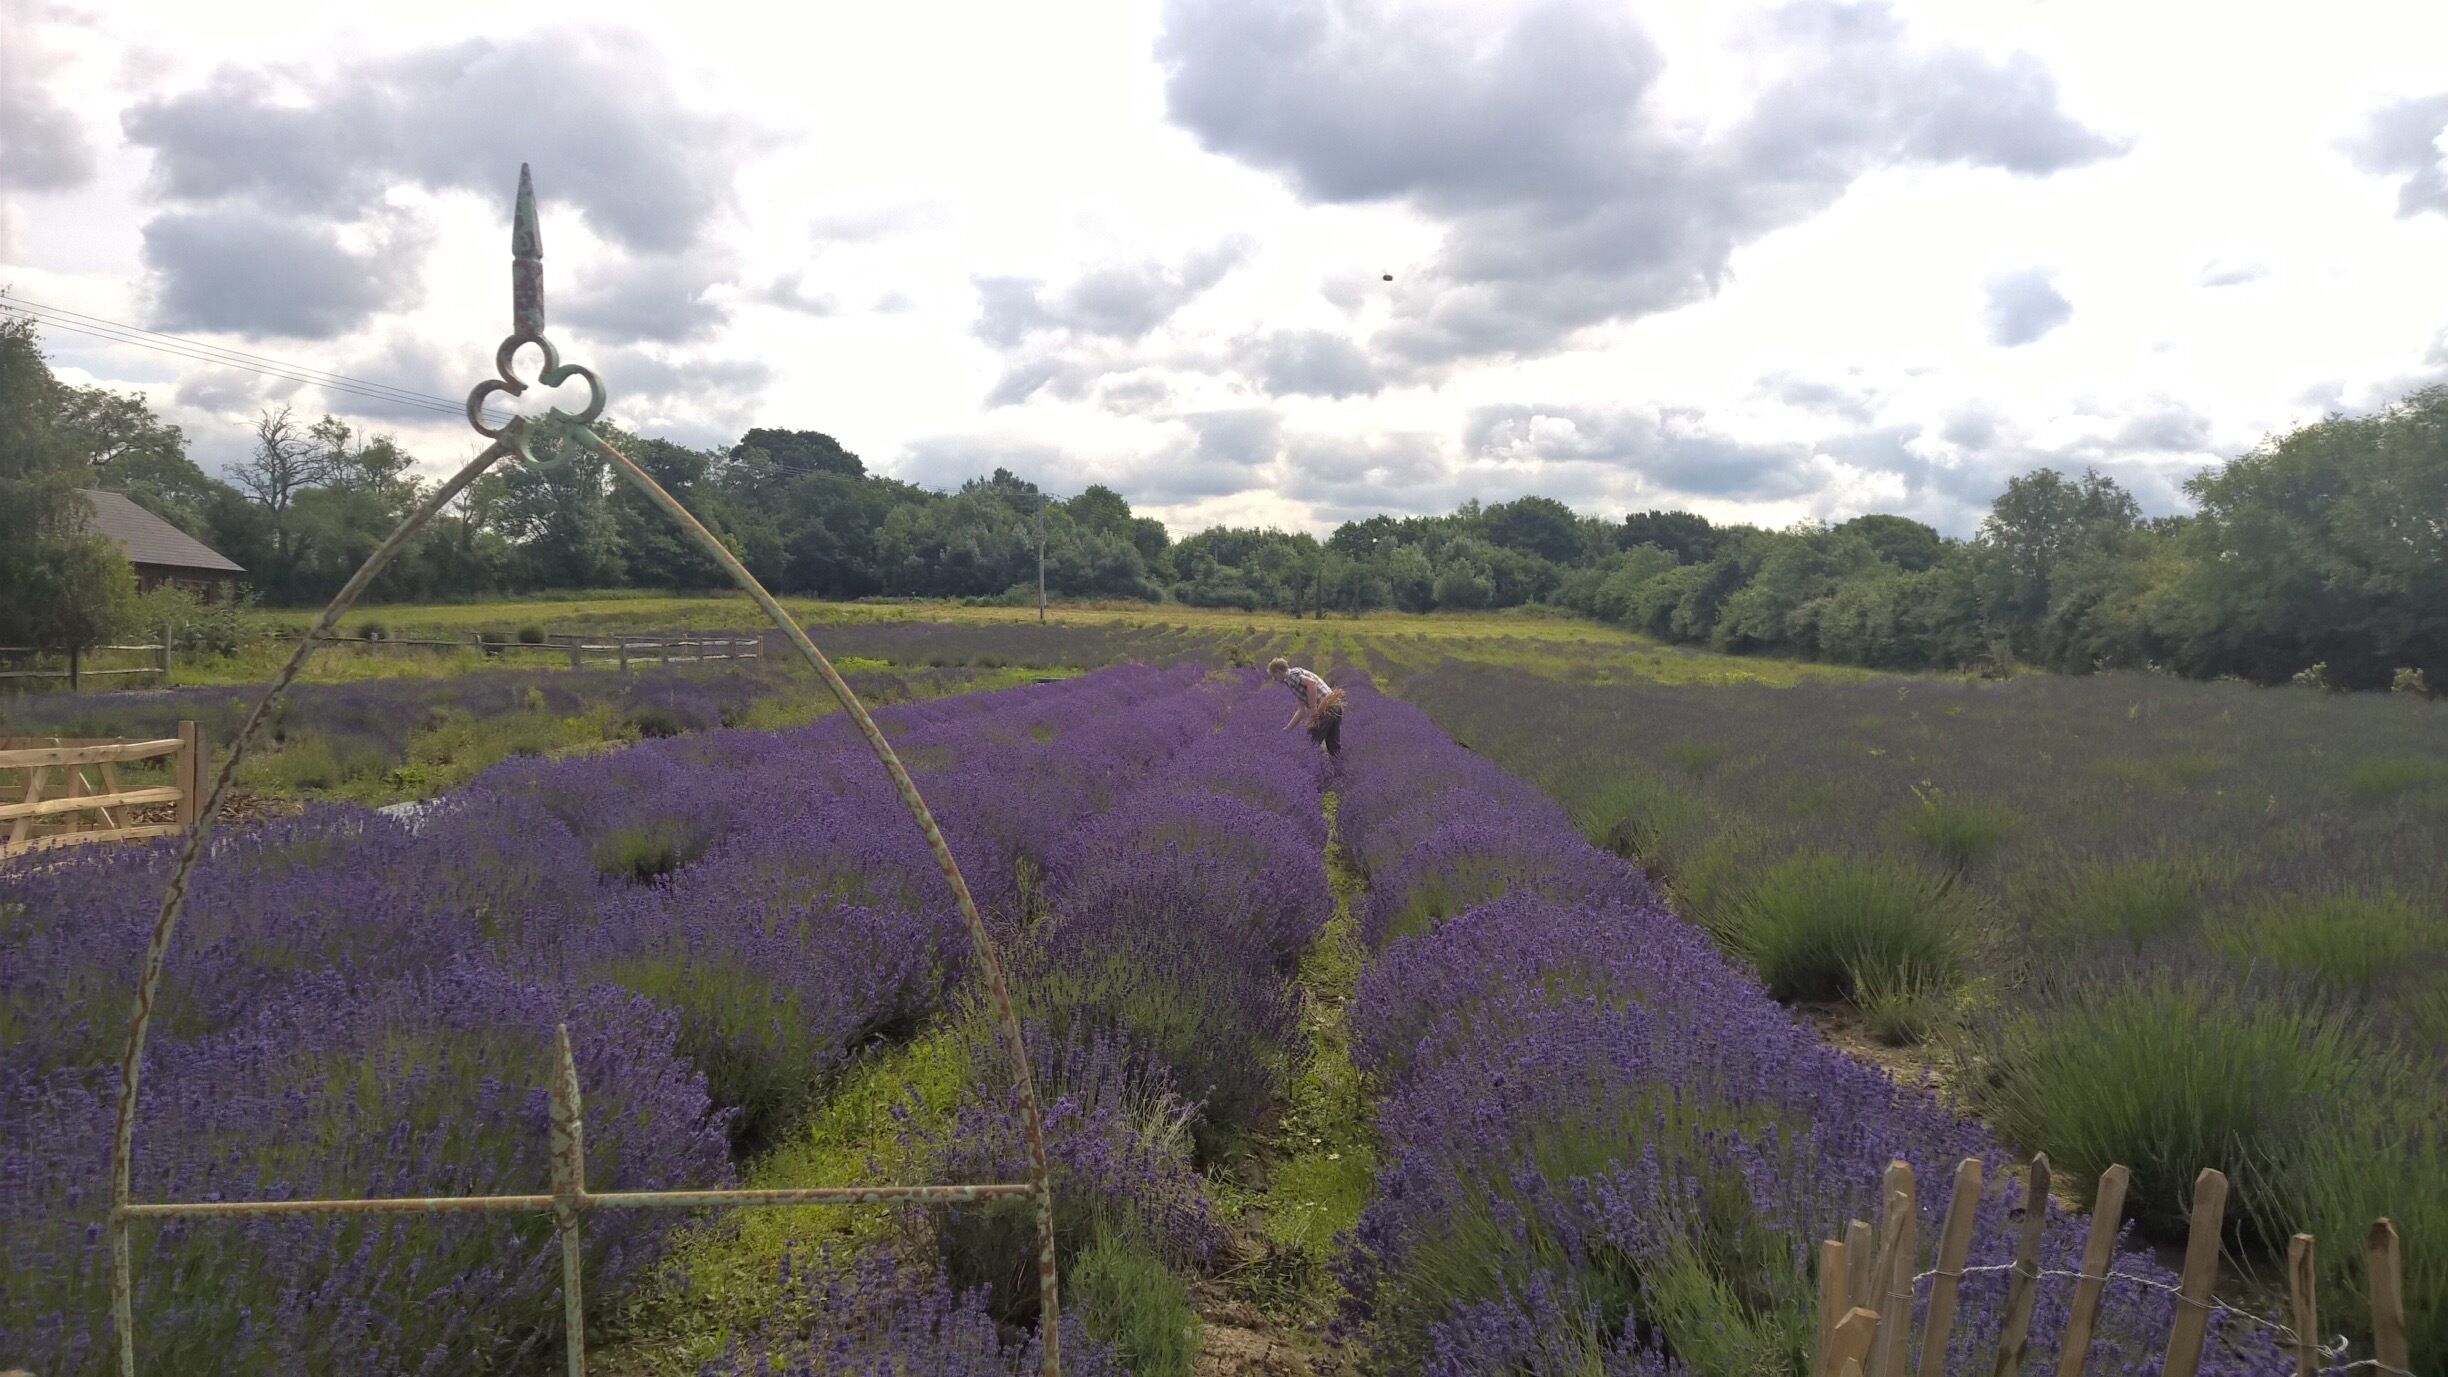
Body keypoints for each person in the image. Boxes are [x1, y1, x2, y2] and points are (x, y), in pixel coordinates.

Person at [1269, 656, 1345, 756]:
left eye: (1274, 676)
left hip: (1327, 707)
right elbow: (1301, 710)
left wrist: (1314, 710)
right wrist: (1287, 729)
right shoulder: (1292, 679)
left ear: (1279, 672)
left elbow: (1311, 684)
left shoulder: (1291, 676)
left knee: (1312, 741)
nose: (1274, 679)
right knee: (1333, 745)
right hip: (1335, 705)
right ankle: (1338, 765)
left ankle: (1310, 763)